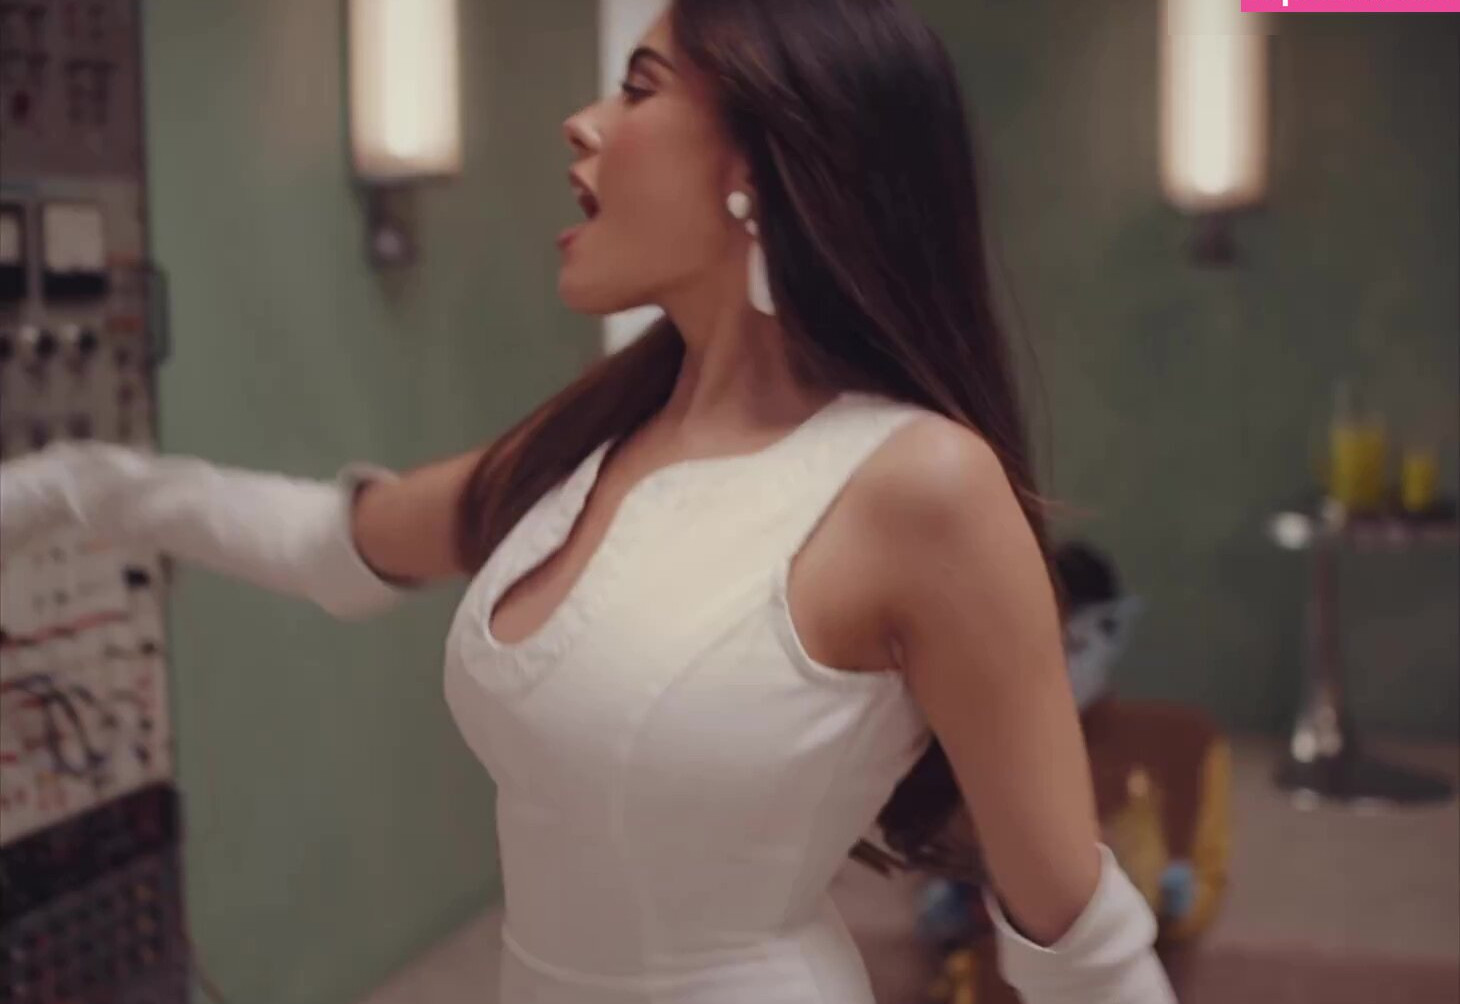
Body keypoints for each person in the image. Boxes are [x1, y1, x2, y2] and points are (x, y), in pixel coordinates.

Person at [0, 2, 1175, 1002]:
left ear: (760, 162)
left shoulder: (916, 483)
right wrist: (64, 488)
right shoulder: (597, 441)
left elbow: (1077, 934)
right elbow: (331, 541)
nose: (581, 121)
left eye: (638, 86)